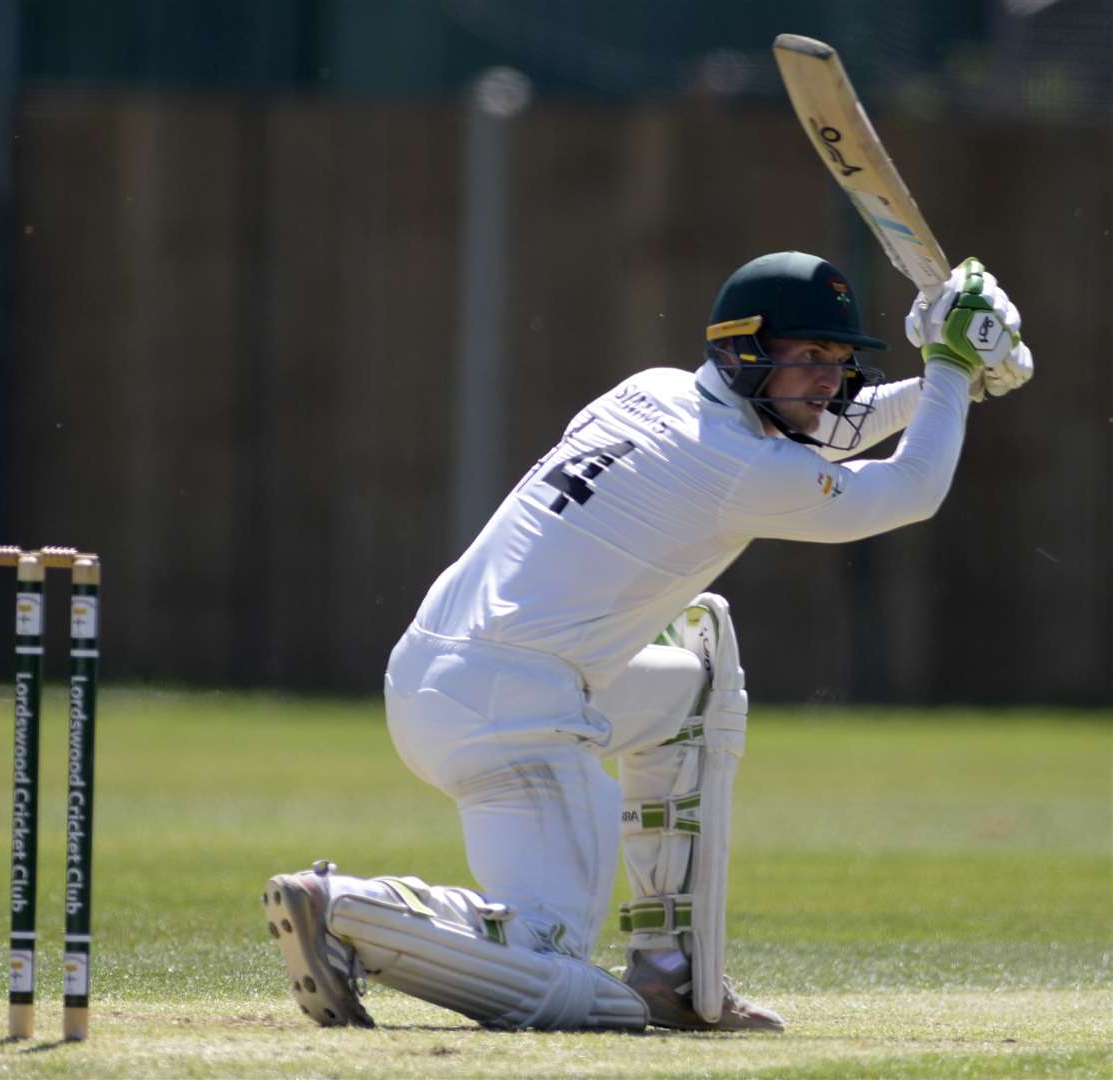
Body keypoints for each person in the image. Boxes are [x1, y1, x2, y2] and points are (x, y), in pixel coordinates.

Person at [262, 252, 1032, 1033]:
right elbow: (911, 489)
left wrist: (956, 381)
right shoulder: (736, 464)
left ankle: (674, 973)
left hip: (453, 672)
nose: (828, 380)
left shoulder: (652, 390)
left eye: (838, 361)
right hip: (512, 706)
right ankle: (347, 908)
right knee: (567, 983)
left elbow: (814, 432)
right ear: (741, 350)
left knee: (688, 688)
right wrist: (947, 362)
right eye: (807, 357)